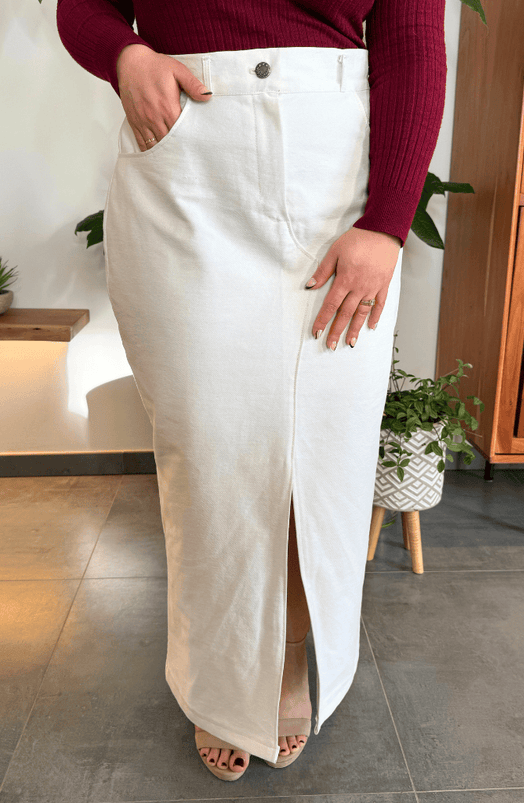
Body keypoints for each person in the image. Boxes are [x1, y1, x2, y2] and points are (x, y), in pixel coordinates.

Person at [56, 0, 447, 782]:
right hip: (186, 173)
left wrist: (385, 224)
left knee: (318, 453)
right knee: (209, 450)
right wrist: (127, 57)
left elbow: (410, 42)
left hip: (333, 182)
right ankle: (225, 676)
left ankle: (290, 657)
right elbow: (82, 6)